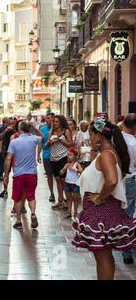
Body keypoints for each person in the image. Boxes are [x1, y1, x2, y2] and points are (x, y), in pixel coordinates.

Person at [72, 115, 135, 280]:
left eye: (91, 135)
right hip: (104, 211)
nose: (90, 139)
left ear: (99, 135)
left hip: (101, 211)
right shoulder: (109, 153)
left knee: (102, 258)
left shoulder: (106, 155)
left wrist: (99, 198)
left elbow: (112, 180)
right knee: (105, 256)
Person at [3, 121, 44, 229]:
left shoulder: (14, 142)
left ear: (19, 129)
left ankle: (18, 221)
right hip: (32, 173)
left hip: (19, 174)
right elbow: (42, 137)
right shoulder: (33, 139)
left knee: (18, 198)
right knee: (31, 195)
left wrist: (6, 174)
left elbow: (8, 158)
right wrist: (34, 127)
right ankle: (33, 213)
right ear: (28, 129)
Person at [46, 115, 73, 210]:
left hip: (63, 157)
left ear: (61, 122)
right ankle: (60, 200)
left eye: (57, 121)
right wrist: (49, 142)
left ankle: (67, 200)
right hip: (53, 158)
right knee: (57, 179)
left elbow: (70, 144)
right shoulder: (51, 132)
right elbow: (46, 146)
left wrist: (60, 140)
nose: (55, 123)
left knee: (63, 179)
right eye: (54, 121)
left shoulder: (66, 131)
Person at [121, 113, 136, 264]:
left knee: (115, 211)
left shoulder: (114, 138)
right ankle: (127, 252)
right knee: (128, 214)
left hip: (114, 179)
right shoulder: (133, 143)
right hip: (130, 179)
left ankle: (112, 242)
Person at [60, 148, 83, 219]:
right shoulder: (67, 164)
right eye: (68, 155)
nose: (68, 156)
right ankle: (69, 212)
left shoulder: (76, 164)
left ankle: (75, 212)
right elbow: (61, 172)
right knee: (69, 198)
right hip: (68, 183)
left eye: (70, 155)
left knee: (75, 199)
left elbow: (81, 170)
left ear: (75, 156)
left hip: (75, 184)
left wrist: (73, 169)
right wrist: (63, 170)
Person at [40, 113, 56, 202]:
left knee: (59, 177)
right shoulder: (43, 129)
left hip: (58, 156)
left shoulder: (58, 129)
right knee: (49, 175)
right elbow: (40, 142)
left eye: (49, 118)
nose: (47, 120)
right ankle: (52, 193)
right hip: (46, 155)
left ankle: (62, 195)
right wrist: (38, 154)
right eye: (46, 118)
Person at [0, 117, 17, 182]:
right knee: (6, 170)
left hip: (17, 152)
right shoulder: (3, 128)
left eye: (13, 123)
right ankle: (4, 188)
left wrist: (14, 131)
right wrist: (6, 131)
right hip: (6, 150)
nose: (11, 125)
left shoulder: (19, 130)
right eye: (10, 123)